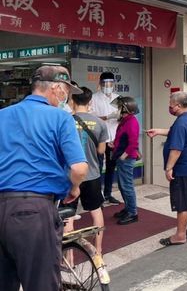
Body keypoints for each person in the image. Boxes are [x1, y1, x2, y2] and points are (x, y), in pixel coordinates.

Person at [0, 66, 88, 291]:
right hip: (34, 212)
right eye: (67, 91)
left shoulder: (2, 115)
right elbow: (79, 168)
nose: (67, 97)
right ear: (57, 88)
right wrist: (73, 187)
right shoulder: (60, 117)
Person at [147, 92, 187, 246]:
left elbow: (176, 150)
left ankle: (180, 235)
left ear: (178, 106)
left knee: (183, 204)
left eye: (171, 105)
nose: (169, 108)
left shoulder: (181, 123)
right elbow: (177, 133)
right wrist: (159, 131)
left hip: (183, 169)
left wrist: (168, 168)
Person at [70, 86, 109, 254]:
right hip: (92, 174)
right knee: (96, 211)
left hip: (70, 176)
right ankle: (98, 251)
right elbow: (101, 151)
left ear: (72, 101)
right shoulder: (100, 123)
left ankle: (68, 256)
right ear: (90, 102)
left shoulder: (65, 121)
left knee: (68, 216)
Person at [90, 72, 121, 205]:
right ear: (100, 84)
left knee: (110, 168)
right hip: (99, 139)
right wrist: (107, 117)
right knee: (96, 167)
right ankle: (97, 195)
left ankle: (108, 194)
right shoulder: (94, 98)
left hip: (114, 138)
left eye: (110, 84)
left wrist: (118, 116)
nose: (108, 86)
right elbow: (91, 117)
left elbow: (124, 117)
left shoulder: (118, 98)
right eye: (105, 84)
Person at [112, 96, 141, 225]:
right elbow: (122, 138)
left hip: (126, 159)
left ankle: (132, 213)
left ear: (125, 109)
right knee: (123, 185)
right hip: (121, 157)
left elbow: (133, 143)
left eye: (119, 107)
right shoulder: (125, 121)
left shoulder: (131, 122)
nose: (117, 110)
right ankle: (128, 208)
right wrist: (114, 145)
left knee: (127, 186)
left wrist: (124, 156)